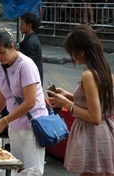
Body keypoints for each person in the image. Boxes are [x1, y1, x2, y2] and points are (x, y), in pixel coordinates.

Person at [0, 30, 48, 175]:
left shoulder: (25, 65)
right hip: (15, 126)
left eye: (2, 52)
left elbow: (30, 102)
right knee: (16, 167)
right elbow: (1, 99)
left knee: (33, 171)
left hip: (32, 125)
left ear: (12, 47)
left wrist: (4, 120)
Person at [47, 24, 114, 176]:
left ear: (81, 52)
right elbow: (96, 101)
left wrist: (67, 104)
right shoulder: (104, 71)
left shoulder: (88, 75)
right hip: (105, 132)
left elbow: (94, 117)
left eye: (72, 52)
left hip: (92, 134)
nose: (72, 57)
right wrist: (70, 96)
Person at [20, 12, 43, 85]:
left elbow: (28, 66)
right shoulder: (31, 38)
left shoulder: (30, 43)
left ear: (29, 25)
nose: (21, 26)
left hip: (31, 82)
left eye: (22, 24)